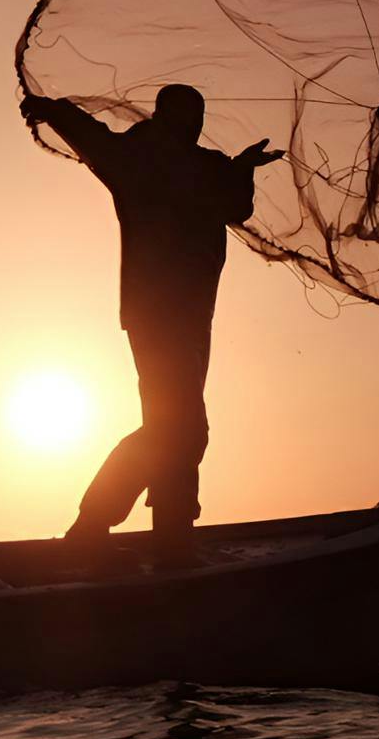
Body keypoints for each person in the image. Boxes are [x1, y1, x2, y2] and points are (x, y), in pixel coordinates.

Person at [20, 84, 278, 557]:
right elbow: (88, 134)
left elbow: (235, 208)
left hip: (192, 313)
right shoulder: (138, 160)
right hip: (157, 314)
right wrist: (51, 108)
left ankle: (168, 533)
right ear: (169, 116)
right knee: (179, 426)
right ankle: (106, 522)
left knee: (178, 424)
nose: (197, 123)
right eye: (190, 114)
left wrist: (242, 168)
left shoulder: (199, 165)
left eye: (200, 114)